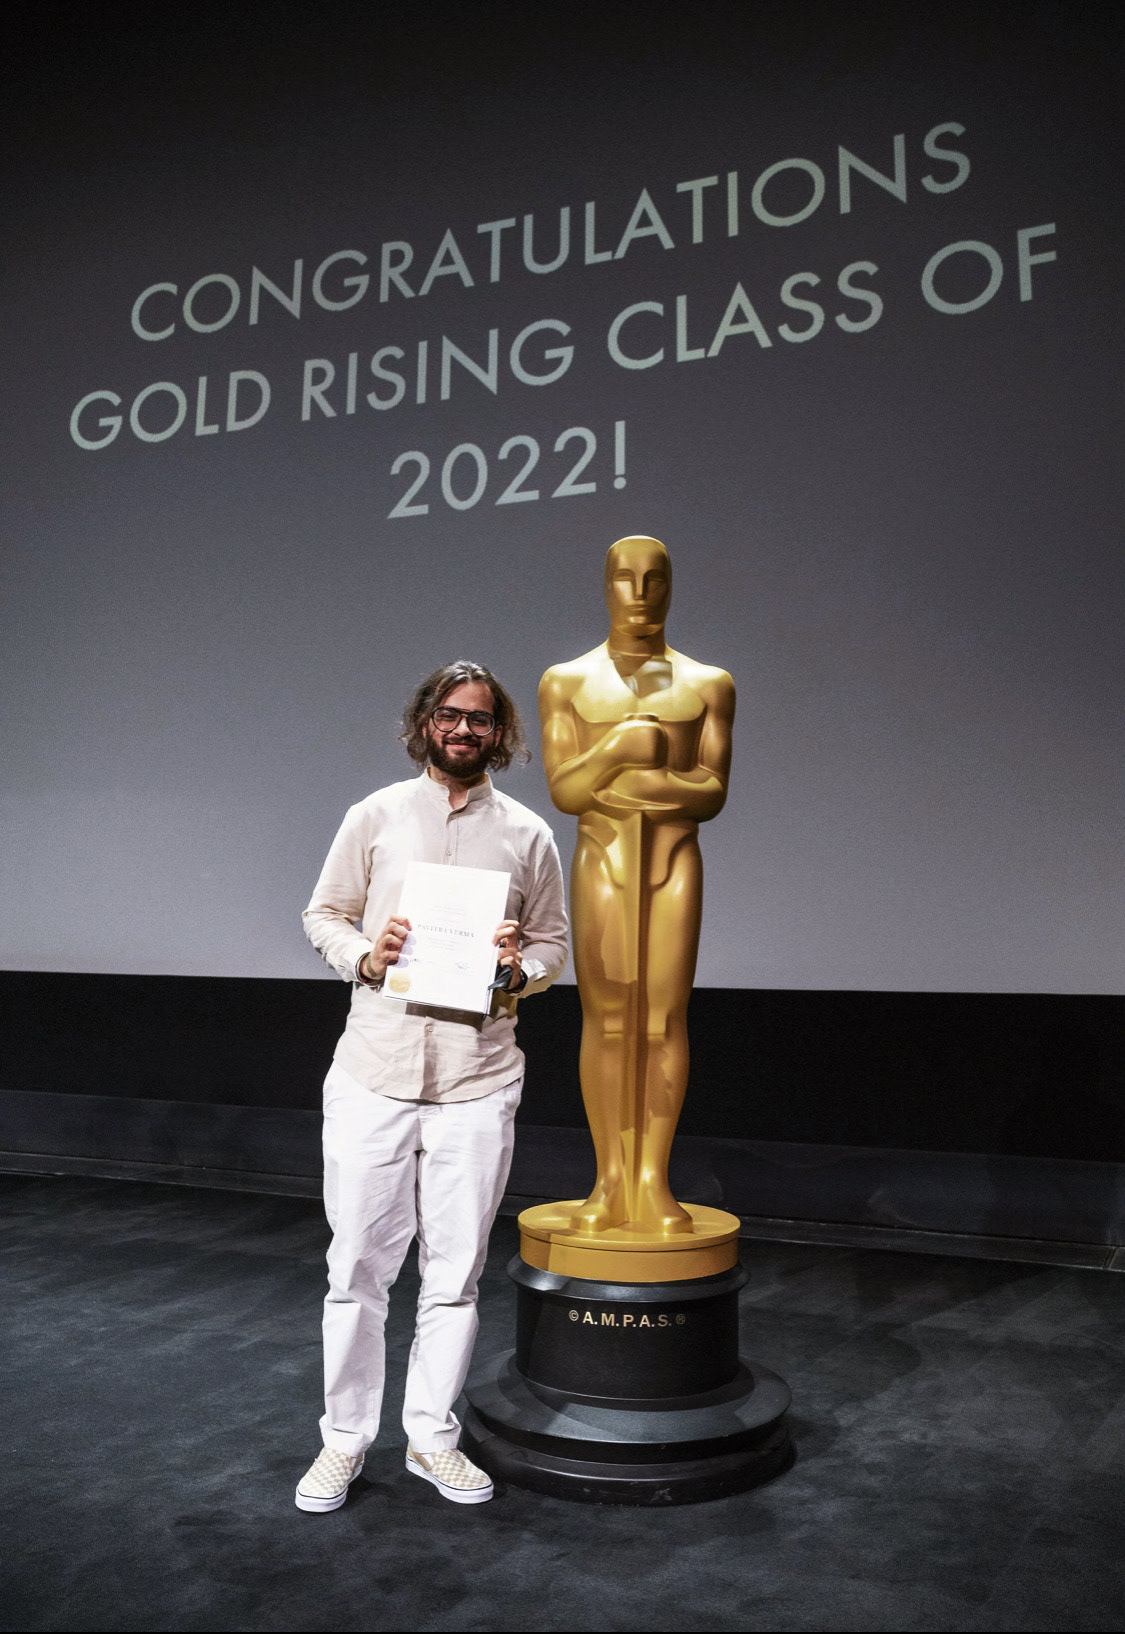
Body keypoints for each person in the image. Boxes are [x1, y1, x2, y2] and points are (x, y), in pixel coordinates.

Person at [296, 661, 568, 1511]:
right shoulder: (373, 816)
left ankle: (430, 1439)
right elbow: (323, 915)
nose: (463, 731)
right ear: (425, 725)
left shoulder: (527, 834)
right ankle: (343, 1442)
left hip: (476, 1080)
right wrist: (363, 957)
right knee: (357, 1273)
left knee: (455, 1275)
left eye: (480, 720)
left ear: (500, 734)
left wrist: (516, 970)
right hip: (375, 1073)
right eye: (449, 716)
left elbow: (556, 946)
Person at [538, 536, 734, 1237]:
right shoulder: (565, 681)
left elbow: (709, 791)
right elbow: (566, 790)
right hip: (604, 859)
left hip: (673, 860)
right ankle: (608, 1179)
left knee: (662, 1018)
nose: (641, 593)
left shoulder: (708, 683)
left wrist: (634, 782)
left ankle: (650, 1178)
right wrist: (619, 748)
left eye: (655, 579)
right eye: (626, 579)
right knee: (609, 1018)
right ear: (605, 586)